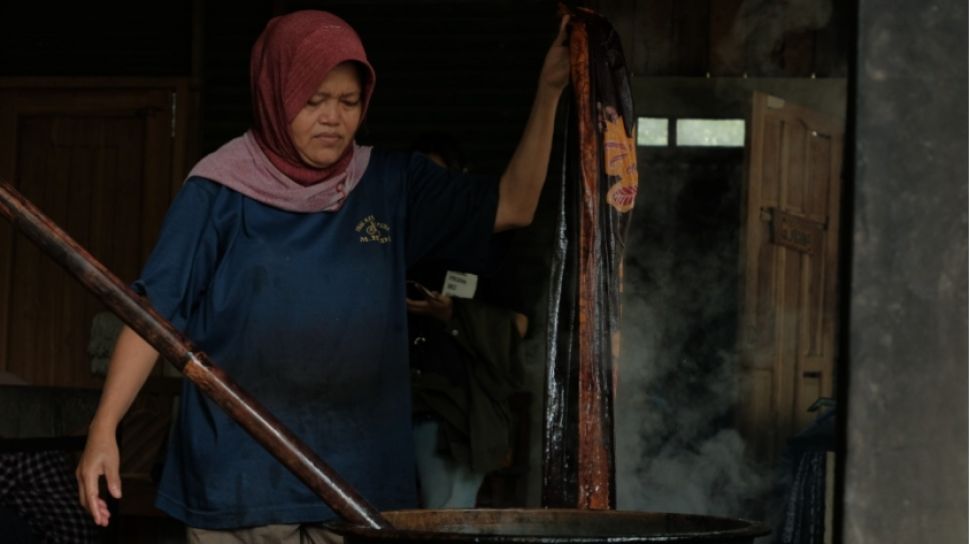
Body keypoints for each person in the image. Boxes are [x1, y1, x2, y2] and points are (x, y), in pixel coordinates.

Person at [75, 9, 570, 543]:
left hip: (358, 488)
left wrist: (549, 92)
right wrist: (104, 427)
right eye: (313, 101)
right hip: (239, 486)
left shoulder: (390, 185)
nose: (333, 118)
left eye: (349, 102)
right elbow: (152, 311)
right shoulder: (219, 191)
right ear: (275, 96)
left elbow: (515, 205)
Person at [405, 133, 529, 508]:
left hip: (453, 414)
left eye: (437, 180)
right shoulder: (394, 238)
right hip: (394, 406)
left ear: (459, 181)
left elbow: (519, 324)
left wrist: (453, 314)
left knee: (446, 517)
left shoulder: (490, 243)